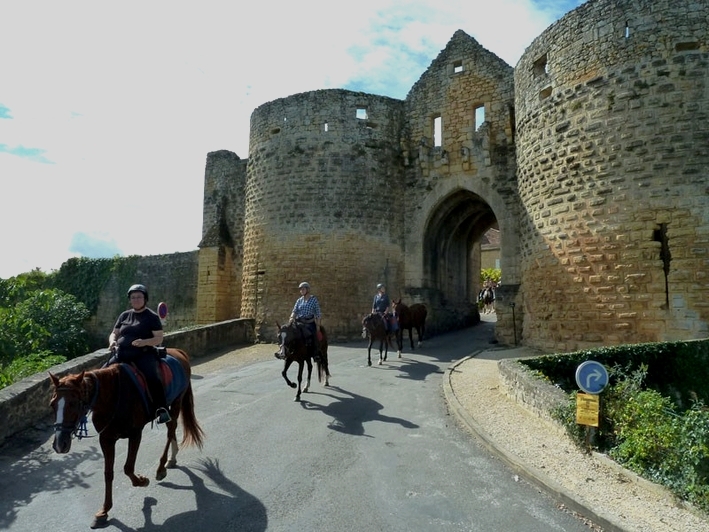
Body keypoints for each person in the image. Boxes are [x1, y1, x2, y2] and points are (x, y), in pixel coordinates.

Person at [108, 284, 170, 424]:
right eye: (133, 297)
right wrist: (112, 342)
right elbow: (114, 333)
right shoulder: (124, 315)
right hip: (122, 354)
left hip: (143, 354)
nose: (136, 299)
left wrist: (144, 342)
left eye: (139, 297)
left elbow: (159, 338)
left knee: (152, 377)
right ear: (130, 299)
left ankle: (161, 408)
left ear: (145, 299)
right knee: (102, 372)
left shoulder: (151, 317)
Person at [277, 281, 322, 361]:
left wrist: (318, 325)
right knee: (288, 333)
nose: (301, 291)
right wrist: (291, 318)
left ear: (307, 290)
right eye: (300, 289)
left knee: (313, 335)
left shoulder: (313, 300)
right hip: (299, 322)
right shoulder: (299, 300)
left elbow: (318, 313)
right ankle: (284, 351)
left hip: (309, 323)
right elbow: (294, 311)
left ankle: (315, 354)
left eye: (303, 289)